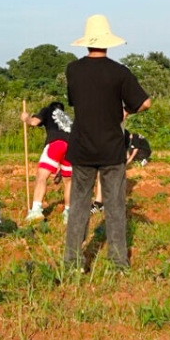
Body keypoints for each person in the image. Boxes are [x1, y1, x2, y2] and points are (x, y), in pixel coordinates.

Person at [64, 14, 151, 271]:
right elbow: (145, 102)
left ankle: (72, 261)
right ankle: (118, 262)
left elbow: (75, 101)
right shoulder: (119, 72)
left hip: (81, 147)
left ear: (86, 42)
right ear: (108, 42)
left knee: (79, 206)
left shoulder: (73, 70)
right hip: (112, 148)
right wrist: (126, 110)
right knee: (114, 207)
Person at [21, 101, 74, 224]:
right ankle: (69, 212)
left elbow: (34, 122)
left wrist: (26, 118)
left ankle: (36, 211)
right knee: (69, 181)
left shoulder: (47, 110)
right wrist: (60, 169)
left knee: (41, 177)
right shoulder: (68, 119)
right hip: (72, 147)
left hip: (55, 144)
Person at [91, 130, 151, 214]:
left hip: (143, 152)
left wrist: (129, 159)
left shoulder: (133, 136)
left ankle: (109, 202)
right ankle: (99, 203)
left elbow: (133, 149)